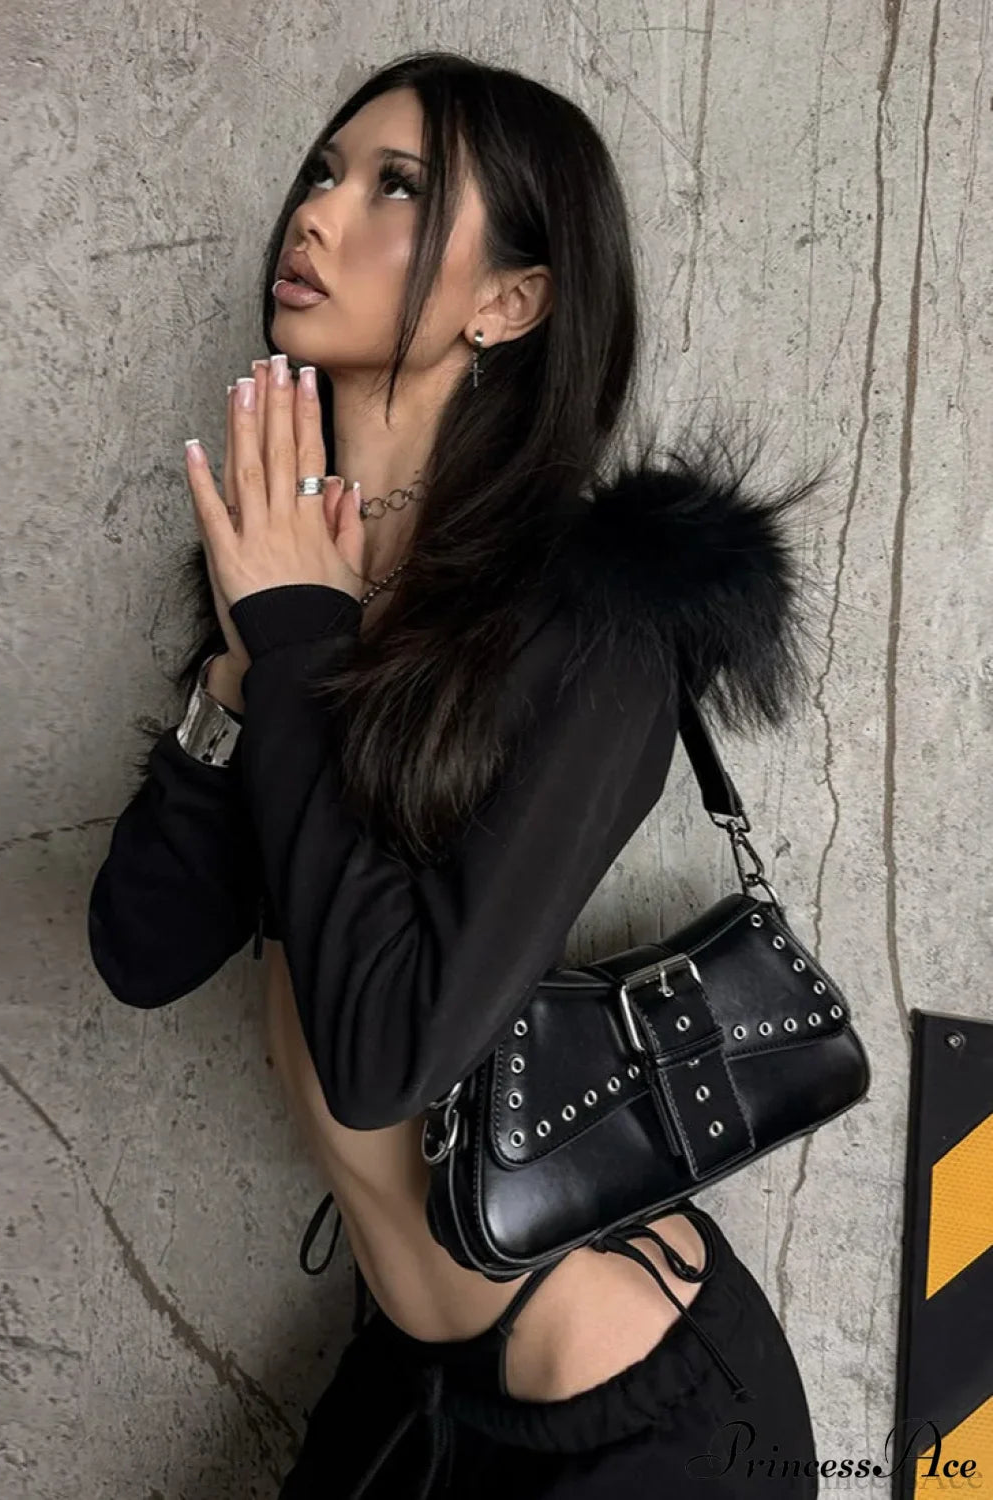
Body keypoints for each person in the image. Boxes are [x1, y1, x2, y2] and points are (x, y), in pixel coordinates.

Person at [87, 49, 832, 1499]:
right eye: (325, 170)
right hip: (413, 1376)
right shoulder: (292, 567)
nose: (317, 212)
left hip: (622, 1405)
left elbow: (388, 1057)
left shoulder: (591, 620)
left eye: (399, 189)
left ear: (511, 301)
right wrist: (244, 672)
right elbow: (141, 948)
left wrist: (295, 640)